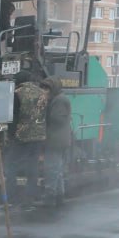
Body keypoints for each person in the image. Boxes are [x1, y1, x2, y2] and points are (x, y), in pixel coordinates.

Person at [8, 72, 48, 204]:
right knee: (33, 165)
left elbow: (14, 116)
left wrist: (11, 134)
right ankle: (31, 195)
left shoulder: (17, 93)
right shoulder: (42, 93)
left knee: (11, 164)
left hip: (22, 135)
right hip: (38, 135)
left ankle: (11, 195)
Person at [42, 78, 72, 207]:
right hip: (60, 139)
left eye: (47, 89)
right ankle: (59, 196)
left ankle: (50, 197)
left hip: (56, 140)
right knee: (57, 169)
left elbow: (57, 119)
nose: (45, 91)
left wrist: (45, 109)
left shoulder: (59, 100)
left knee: (52, 169)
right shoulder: (60, 98)